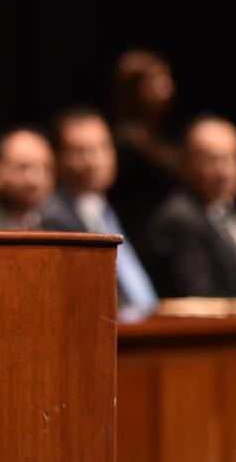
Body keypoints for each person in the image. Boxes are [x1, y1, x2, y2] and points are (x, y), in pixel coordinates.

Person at [44, 106, 158, 316]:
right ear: (58, 158)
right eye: (80, 151)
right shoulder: (52, 217)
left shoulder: (109, 209)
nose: (93, 161)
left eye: (102, 148)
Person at [144, 116, 236, 298]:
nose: (225, 172)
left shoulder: (226, 212)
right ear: (187, 163)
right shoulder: (180, 219)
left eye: (233, 158)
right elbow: (200, 298)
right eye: (213, 160)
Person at [108, 49, 181, 244]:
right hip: (141, 236)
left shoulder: (164, 137)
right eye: (155, 82)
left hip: (169, 234)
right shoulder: (125, 142)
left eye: (167, 80)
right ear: (134, 89)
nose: (166, 88)